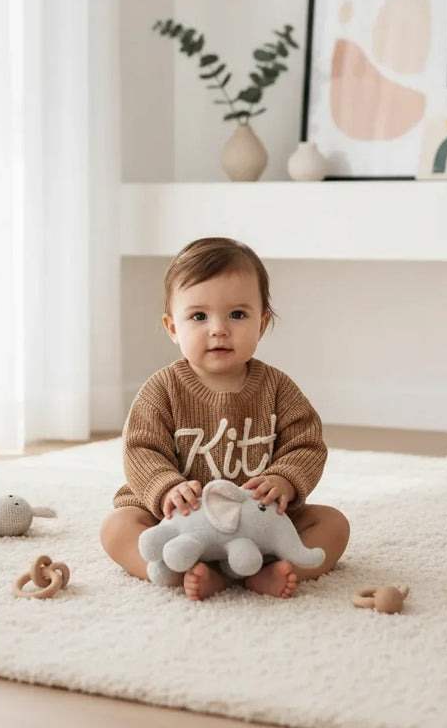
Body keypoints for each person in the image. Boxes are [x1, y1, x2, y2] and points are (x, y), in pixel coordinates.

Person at [100, 237, 349, 601]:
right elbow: (141, 449)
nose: (218, 329)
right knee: (117, 526)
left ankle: (268, 572)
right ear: (173, 328)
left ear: (262, 324)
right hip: (180, 523)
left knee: (332, 524)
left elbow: (306, 443)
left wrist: (284, 479)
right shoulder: (161, 389)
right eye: (199, 316)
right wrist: (167, 487)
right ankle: (173, 571)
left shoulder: (278, 388)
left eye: (237, 315)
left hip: (257, 525)